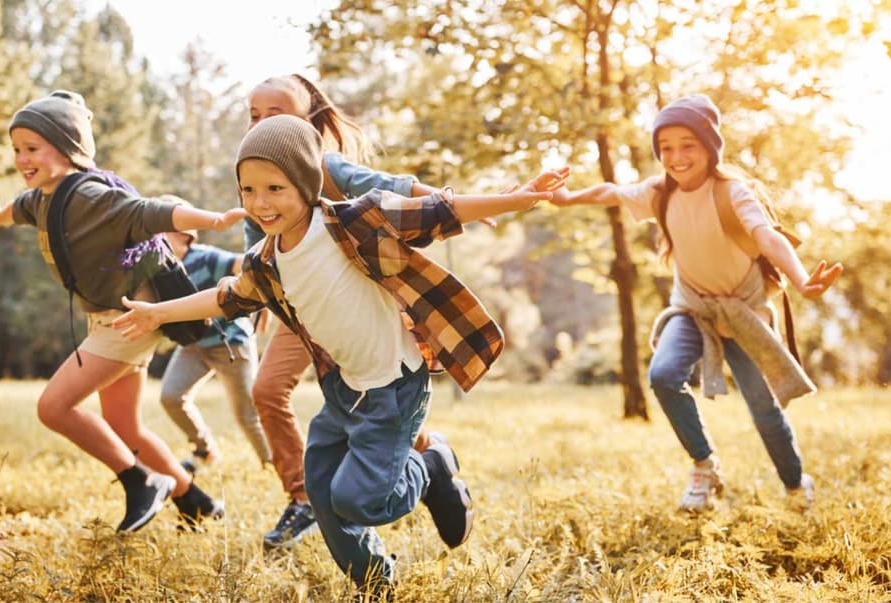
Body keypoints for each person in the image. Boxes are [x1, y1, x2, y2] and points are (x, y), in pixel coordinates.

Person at [112, 115, 568, 595]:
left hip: (394, 385)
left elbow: (436, 210)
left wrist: (516, 198)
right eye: (248, 190)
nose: (260, 203)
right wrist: (158, 313)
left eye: (275, 188)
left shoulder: (354, 222)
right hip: (343, 390)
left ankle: (430, 467)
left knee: (359, 501)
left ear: (306, 183)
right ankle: (375, 583)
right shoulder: (266, 261)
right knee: (322, 493)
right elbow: (227, 297)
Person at [0, 90, 244, 532]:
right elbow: (17, 210)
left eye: (32, 148)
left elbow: (148, 212)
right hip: (111, 319)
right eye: (16, 149)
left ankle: (140, 481)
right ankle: (196, 503)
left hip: (128, 319)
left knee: (54, 407)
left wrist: (213, 220)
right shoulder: (42, 198)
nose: (21, 159)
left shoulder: (90, 195)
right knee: (124, 426)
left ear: (69, 148)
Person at [549, 94, 843, 512]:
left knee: (764, 408)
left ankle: (796, 484)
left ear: (709, 147)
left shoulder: (732, 192)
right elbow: (610, 191)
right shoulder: (659, 193)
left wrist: (801, 280)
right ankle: (705, 467)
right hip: (692, 308)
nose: (676, 157)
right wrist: (567, 198)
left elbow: (767, 237)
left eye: (687, 145)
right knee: (664, 375)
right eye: (665, 147)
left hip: (743, 312)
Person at [243, 74, 471, 550]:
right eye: (254, 115)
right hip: (302, 307)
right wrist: (257, 299)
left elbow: (386, 186)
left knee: (374, 394)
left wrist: (448, 202)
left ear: (307, 120)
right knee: (272, 390)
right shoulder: (255, 171)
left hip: (355, 298)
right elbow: (256, 246)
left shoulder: (326, 164)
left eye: (275, 114)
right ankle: (306, 496)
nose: (261, 123)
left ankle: (424, 464)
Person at [159, 220, 273, 472]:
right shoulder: (162, 267)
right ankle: (205, 450)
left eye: (159, 230)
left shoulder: (207, 257)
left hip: (230, 344)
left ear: (182, 234)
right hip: (193, 346)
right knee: (171, 396)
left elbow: (248, 266)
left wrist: (263, 298)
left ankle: (273, 464)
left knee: (247, 414)